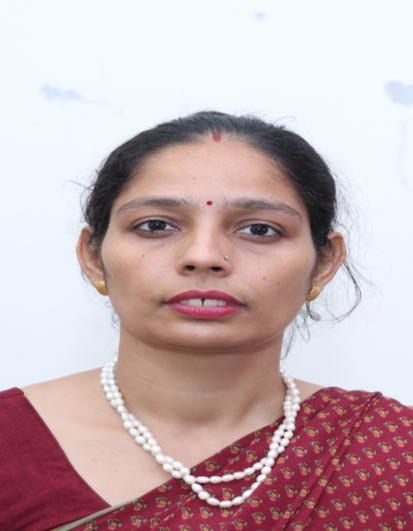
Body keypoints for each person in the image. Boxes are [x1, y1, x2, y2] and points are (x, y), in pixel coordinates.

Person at [1, 112, 412, 531]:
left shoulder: (394, 450)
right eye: (156, 225)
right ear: (93, 257)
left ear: (323, 264)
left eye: (259, 230)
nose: (204, 256)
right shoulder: (8, 441)